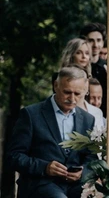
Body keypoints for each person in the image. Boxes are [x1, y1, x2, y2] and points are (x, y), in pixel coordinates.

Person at [7, 66, 96, 198]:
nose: (72, 99)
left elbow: (91, 158)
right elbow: (14, 156)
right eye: (67, 92)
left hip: (75, 187)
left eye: (77, 94)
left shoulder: (88, 119)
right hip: (39, 184)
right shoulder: (31, 114)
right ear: (56, 86)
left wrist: (82, 173)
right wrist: (45, 167)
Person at [56, 39, 104, 127]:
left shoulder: (89, 78)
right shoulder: (61, 77)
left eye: (86, 53)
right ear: (71, 55)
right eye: (79, 53)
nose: (84, 56)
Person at [79, 23, 108, 115]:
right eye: (91, 40)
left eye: (99, 40)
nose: (95, 45)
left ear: (103, 42)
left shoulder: (108, 68)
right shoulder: (78, 67)